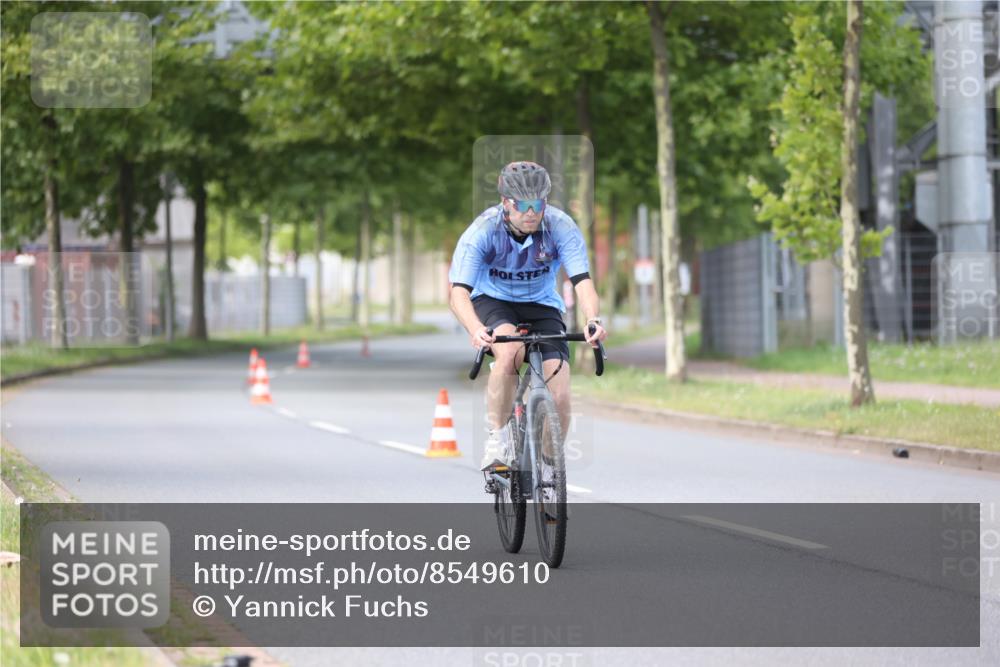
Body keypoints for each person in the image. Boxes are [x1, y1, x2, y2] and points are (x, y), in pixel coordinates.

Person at [448, 161, 608, 470]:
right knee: (509, 352)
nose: (532, 211)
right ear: (506, 202)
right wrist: (476, 328)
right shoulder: (482, 232)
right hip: (492, 301)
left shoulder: (561, 226)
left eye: (539, 203)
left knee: (560, 393)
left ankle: (548, 470)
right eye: (523, 204)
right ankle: (497, 437)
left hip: (542, 304)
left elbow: (583, 283)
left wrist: (593, 319)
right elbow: (458, 293)